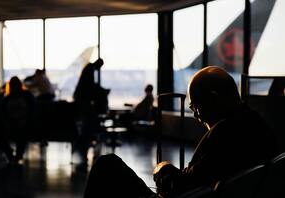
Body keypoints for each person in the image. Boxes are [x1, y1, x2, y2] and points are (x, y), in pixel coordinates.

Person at [83, 66, 279, 198]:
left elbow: (181, 187)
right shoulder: (256, 125)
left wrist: (164, 169)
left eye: (196, 107)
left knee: (107, 165)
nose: (196, 116)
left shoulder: (226, 134)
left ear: (214, 98)